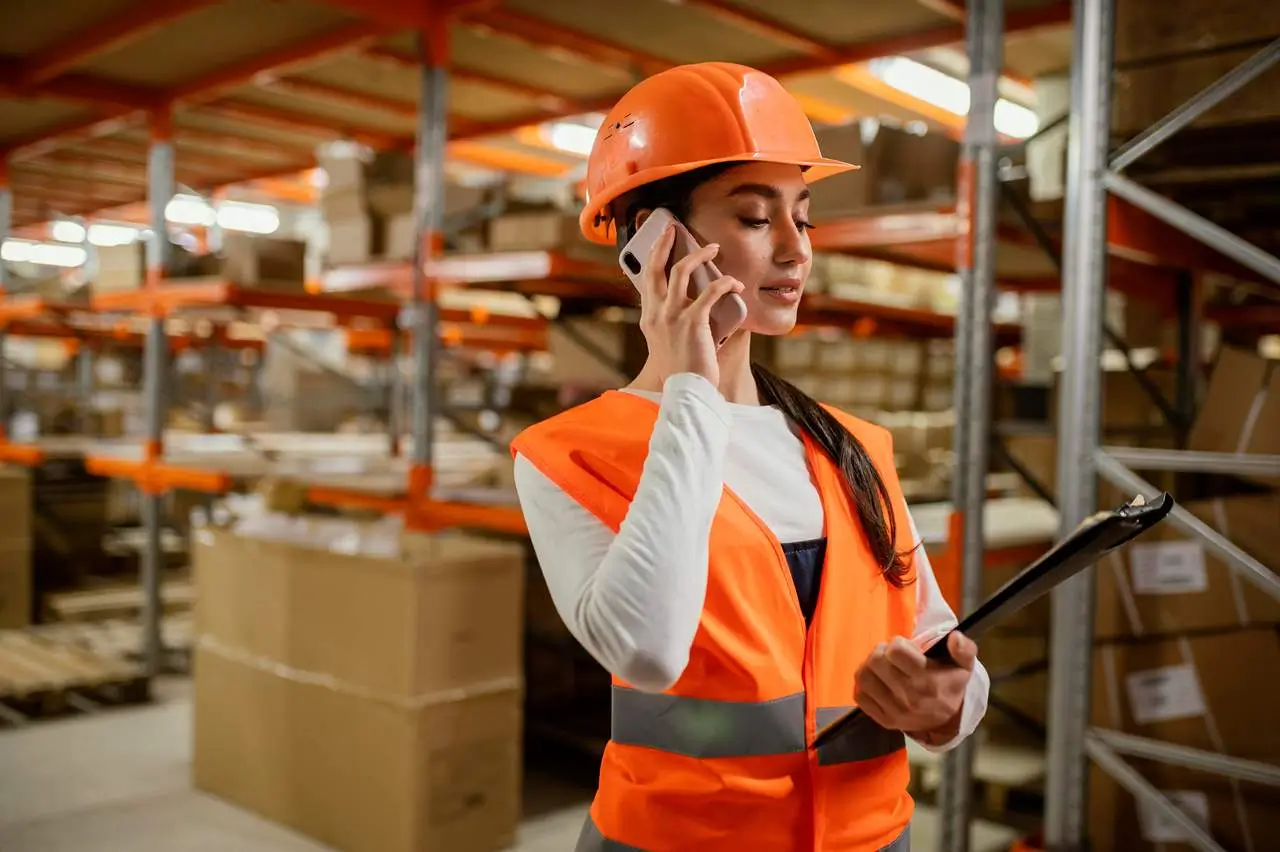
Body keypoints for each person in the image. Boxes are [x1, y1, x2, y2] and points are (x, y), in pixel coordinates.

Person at [510, 62, 989, 852]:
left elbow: (945, 657)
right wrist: (692, 384)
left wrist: (945, 703)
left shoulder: (852, 449)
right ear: (654, 245)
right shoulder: (568, 455)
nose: (798, 251)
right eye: (757, 218)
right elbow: (647, 648)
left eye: (803, 217)